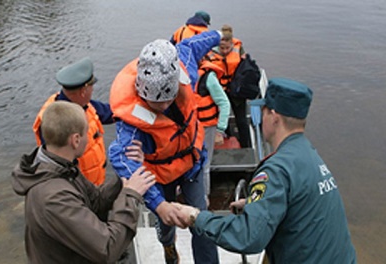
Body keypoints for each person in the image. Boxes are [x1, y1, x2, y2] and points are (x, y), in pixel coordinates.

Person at [175, 78, 357, 263]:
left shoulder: (276, 169)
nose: (261, 118)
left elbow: (248, 237)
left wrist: (196, 218)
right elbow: (300, 199)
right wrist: (256, 203)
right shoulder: (309, 155)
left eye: (263, 111)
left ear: (274, 116)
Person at [108, 31, 222, 264]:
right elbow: (120, 155)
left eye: (168, 101)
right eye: (156, 103)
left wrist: (219, 35)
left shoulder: (184, 66)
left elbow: (193, 44)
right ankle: (168, 246)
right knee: (165, 221)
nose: (163, 106)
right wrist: (159, 205)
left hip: (192, 165)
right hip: (160, 174)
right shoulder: (131, 120)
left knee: (201, 222)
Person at [12, 101, 156, 263]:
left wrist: (124, 177)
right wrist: (131, 195)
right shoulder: (53, 198)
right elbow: (107, 247)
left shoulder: (58, 168)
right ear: (75, 140)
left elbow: (96, 200)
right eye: (88, 133)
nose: (93, 138)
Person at [33, 57, 115, 186]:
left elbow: (112, 113)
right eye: (91, 88)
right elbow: (55, 165)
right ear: (83, 91)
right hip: (78, 191)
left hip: (95, 186)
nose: (92, 91)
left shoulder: (85, 104)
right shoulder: (54, 121)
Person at [207, 24, 251, 148]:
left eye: (227, 48)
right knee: (222, 118)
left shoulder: (239, 48)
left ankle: (246, 146)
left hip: (236, 90)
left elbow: (246, 68)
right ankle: (227, 140)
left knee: (241, 119)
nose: (225, 51)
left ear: (232, 44)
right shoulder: (210, 53)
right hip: (220, 90)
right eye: (222, 48)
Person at [194, 59, 230, 205]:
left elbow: (224, 102)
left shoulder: (208, 78)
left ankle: (204, 197)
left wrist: (220, 130)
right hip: (190, 128)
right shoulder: (182, 74)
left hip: (207, 128)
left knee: (204, 163)